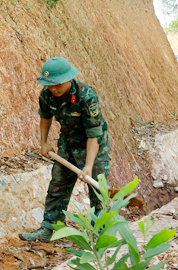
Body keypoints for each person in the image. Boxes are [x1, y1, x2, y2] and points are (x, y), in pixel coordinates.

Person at [20, 57, 110, 242]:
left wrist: (88, 165)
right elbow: (45, 117)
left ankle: (98, 234)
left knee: (97, 191)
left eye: (57, 84)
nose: (53, 89)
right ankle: (48, 229)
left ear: (69, 79)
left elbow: (94, 134)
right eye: (49, 84)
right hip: (68, 143)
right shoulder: (47, 95)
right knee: (57, 186)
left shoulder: (87, 97)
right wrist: (43, 142)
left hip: (93, 145)